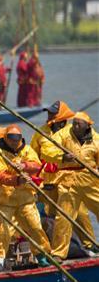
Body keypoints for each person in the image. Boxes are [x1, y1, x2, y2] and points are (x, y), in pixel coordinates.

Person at [0, 125, 52, 273]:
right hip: (4, 198)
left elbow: (37, 165)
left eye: (17, 140)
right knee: (2, 231)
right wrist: (17, 180)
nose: (15, 143)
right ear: (6, 139)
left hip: (24, 198)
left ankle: (41, 256)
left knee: (35, 227)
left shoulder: (26, 149)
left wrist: (24, 165)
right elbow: (0, 175)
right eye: (12, 140)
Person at [32, 101, 96, 252]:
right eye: (48, 113)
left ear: (61, 116)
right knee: (50, 215)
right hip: (47, 181)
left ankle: (90, 244)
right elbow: (35, 156)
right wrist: (34, 179)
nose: (49, 116)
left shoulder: (72, 132)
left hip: (69, 180)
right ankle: (53, 249)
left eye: (52, 113)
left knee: (80, 214)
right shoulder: (40, 132)